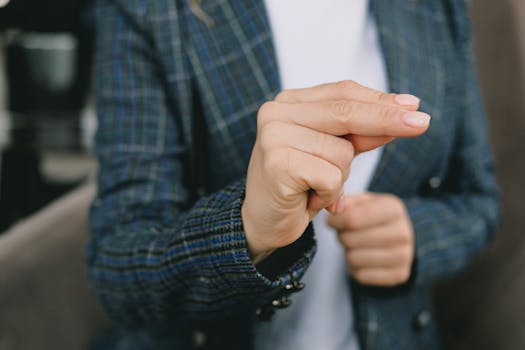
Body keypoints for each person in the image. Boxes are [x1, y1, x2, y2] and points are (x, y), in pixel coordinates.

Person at [88, 0, 499, 349]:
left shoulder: (436, 6)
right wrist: (249, 231)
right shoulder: (149, 10)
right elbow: (118, 266)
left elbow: (479, 200)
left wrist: (416, 237)